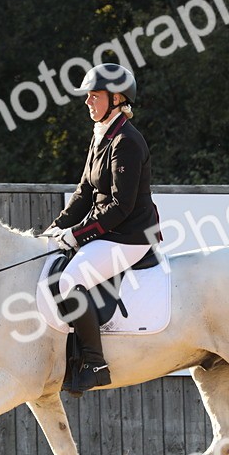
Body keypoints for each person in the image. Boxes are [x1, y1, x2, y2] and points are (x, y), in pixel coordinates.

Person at [41, 63, 161, 395]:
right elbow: (83, 193)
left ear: (117, 98)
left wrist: (78, 234)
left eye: (94, 96)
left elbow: (121, 207)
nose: (88, 102)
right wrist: (54, 230)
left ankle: (95, 364)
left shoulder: (127, 141)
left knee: (70, 280)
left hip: (131, 236)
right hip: (110, 231)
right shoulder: (101, 135)